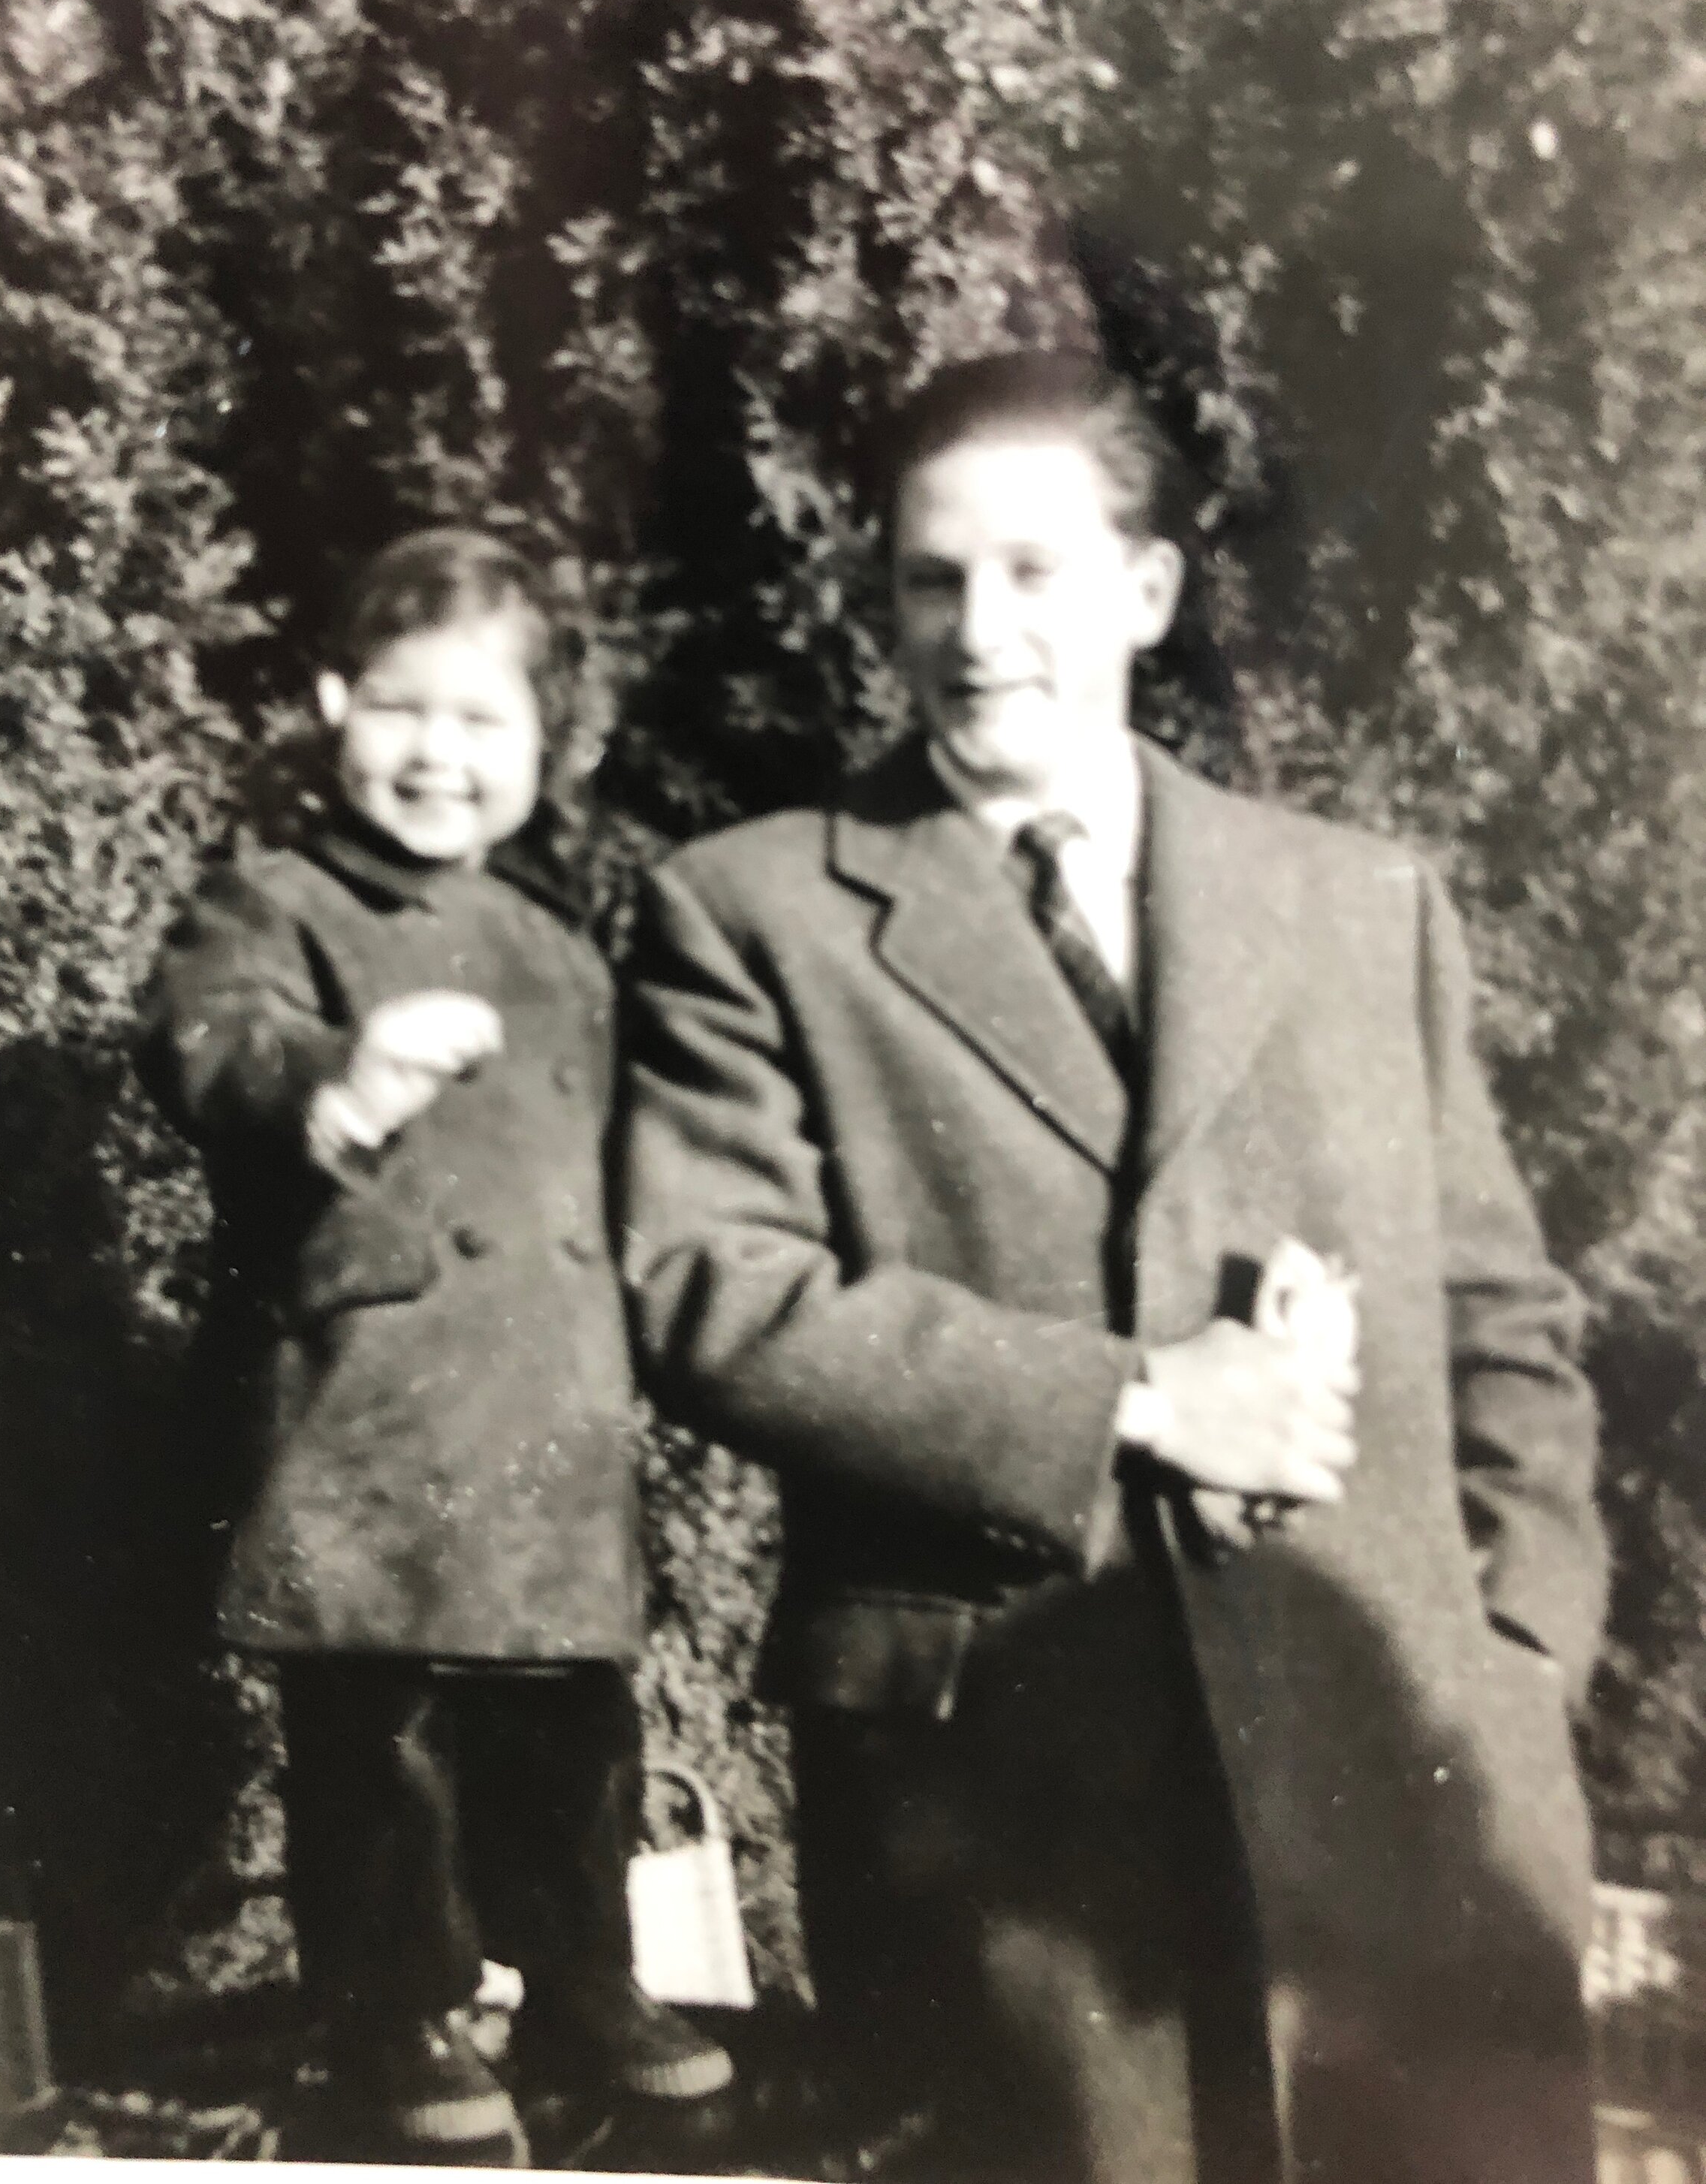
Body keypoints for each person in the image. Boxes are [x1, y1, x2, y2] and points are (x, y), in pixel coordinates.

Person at [617, 352, 1606, 2184]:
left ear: (1145, 592)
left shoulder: (1352, 900)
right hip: (1009, 1809)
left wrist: (1515, 1646)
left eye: (1033, 570)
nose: (978, 629)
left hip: (1396, 1791)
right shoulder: (750, 910)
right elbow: (707, 1284)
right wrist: (1143, 1400)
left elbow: (1502, 1314)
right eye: (932, 578)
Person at [138, 528, 731, 2164]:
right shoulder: (275, 898)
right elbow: (207, 1039)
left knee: (571, 1723)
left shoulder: (559, 952)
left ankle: (583, 1980)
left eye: (483, 725)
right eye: (404, 711)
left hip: (545, 1412)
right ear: (336, 702)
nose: (437, 756)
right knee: (382, 1734)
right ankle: (390, 2004)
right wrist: (334, 1075)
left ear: (547, 748)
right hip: (373, 1408)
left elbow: (628, 1160)